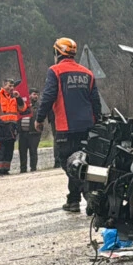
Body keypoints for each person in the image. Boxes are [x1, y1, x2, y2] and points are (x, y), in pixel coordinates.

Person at [35, 37, 102, 212]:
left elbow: (48, 96)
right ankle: (73, 200)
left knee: (69, 163)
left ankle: (89, 197)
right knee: (82, 162)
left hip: (66, 128)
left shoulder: (55, 71)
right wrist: (98, 121)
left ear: (57, 52)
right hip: (87, 127)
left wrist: (39, 118)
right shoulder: (87, 73)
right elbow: (95, 101)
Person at [0, 78, 26, 175]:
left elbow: (22, 109)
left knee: (9, 150)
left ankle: (5, 170)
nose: (11, 88)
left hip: (11, 128)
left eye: (13, 86)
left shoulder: (14, 97)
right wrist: (3, 125)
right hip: (0, 128)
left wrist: (18, 98)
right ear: (4, 85)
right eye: (9, 86)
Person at [17, 89, 40, 173]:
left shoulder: (38, 106)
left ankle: (33, 168)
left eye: (37, 94)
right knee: (22, 151)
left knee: (33, 151)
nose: (36, 96)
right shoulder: (22, 105)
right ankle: (23, 169)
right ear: (29, 95)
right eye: (34, 94)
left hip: (34, 133)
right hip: (23, 133)